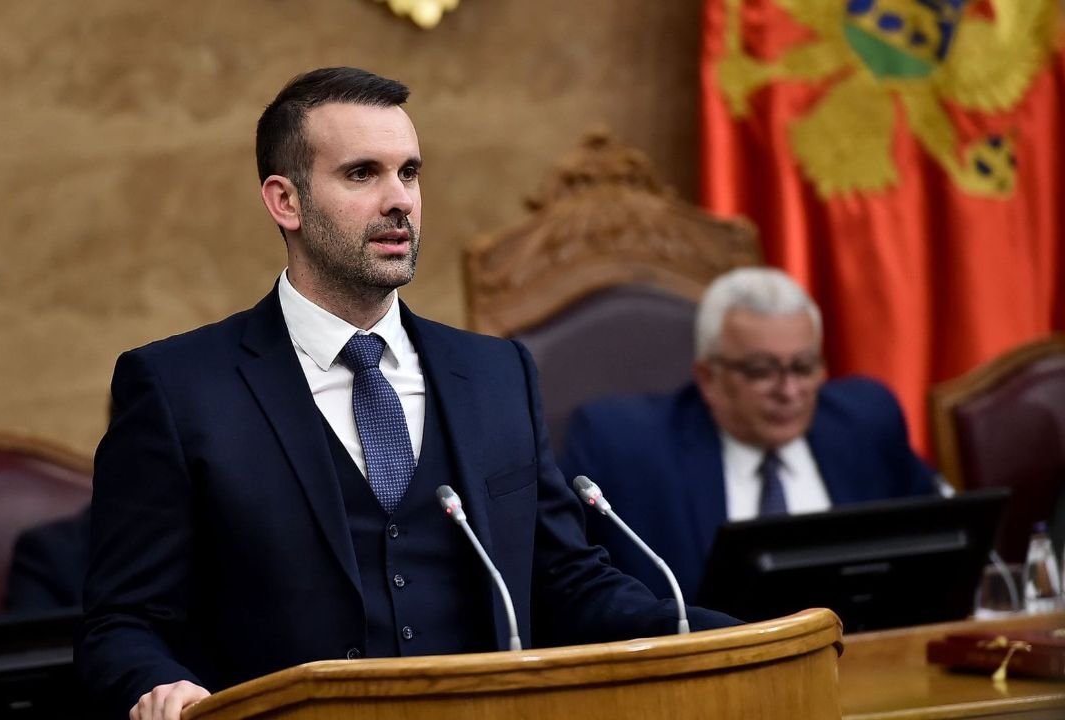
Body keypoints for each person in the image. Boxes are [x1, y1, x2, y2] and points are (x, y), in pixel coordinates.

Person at [76, 67, 737, 720]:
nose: (400, 200)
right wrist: (161, 686)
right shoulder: (179, 389)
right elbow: (121, 624)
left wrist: (727, 637)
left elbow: (566, 580)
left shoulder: (497, 374)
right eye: (362, 174)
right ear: (286, 202)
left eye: (410, 173)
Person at [559, 267, 939, 602]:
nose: (789, 391)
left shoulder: (866, 423)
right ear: (708, 378)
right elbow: (572, 583)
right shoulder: (623, 446)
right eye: (762, 371)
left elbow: (938, 541)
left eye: (804, 367)